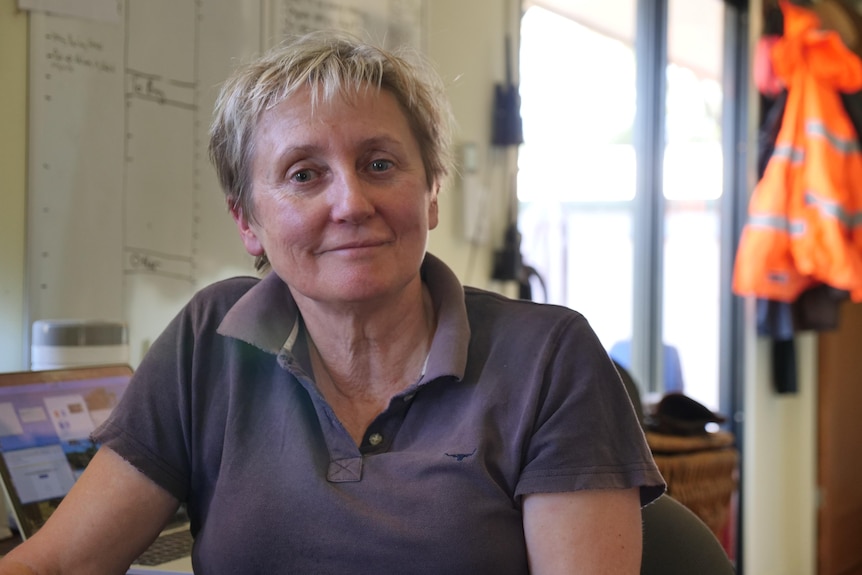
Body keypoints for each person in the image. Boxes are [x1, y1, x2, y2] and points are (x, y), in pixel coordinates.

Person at [0, 31, 664, 574]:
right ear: (248, 220)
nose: (350, 203)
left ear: (432, 191)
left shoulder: (548, 358)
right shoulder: (209, 340)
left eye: (379, 163)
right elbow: (55, 564)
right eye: (304, 174)